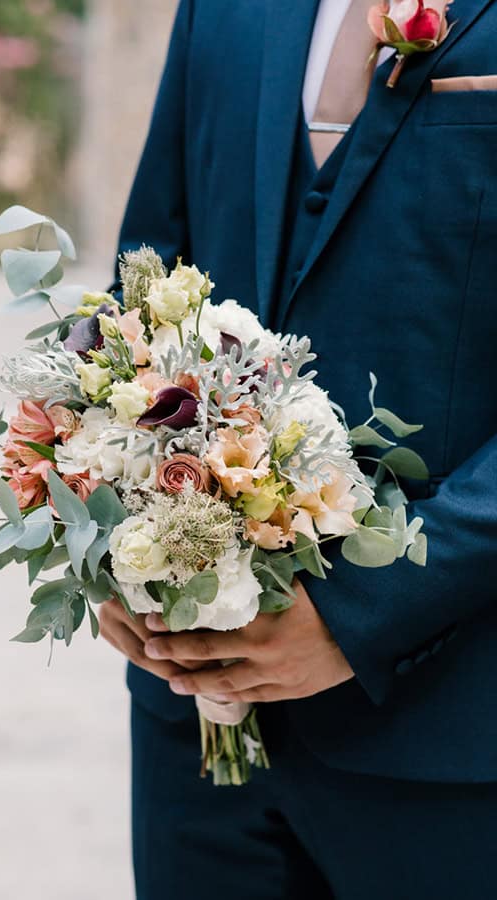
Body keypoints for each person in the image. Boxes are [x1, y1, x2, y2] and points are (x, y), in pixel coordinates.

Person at [99, 1, 497, 897]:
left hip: (452, 744)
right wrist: (112, 550)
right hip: (191, 747)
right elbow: (149, 276)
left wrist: (361, 614)